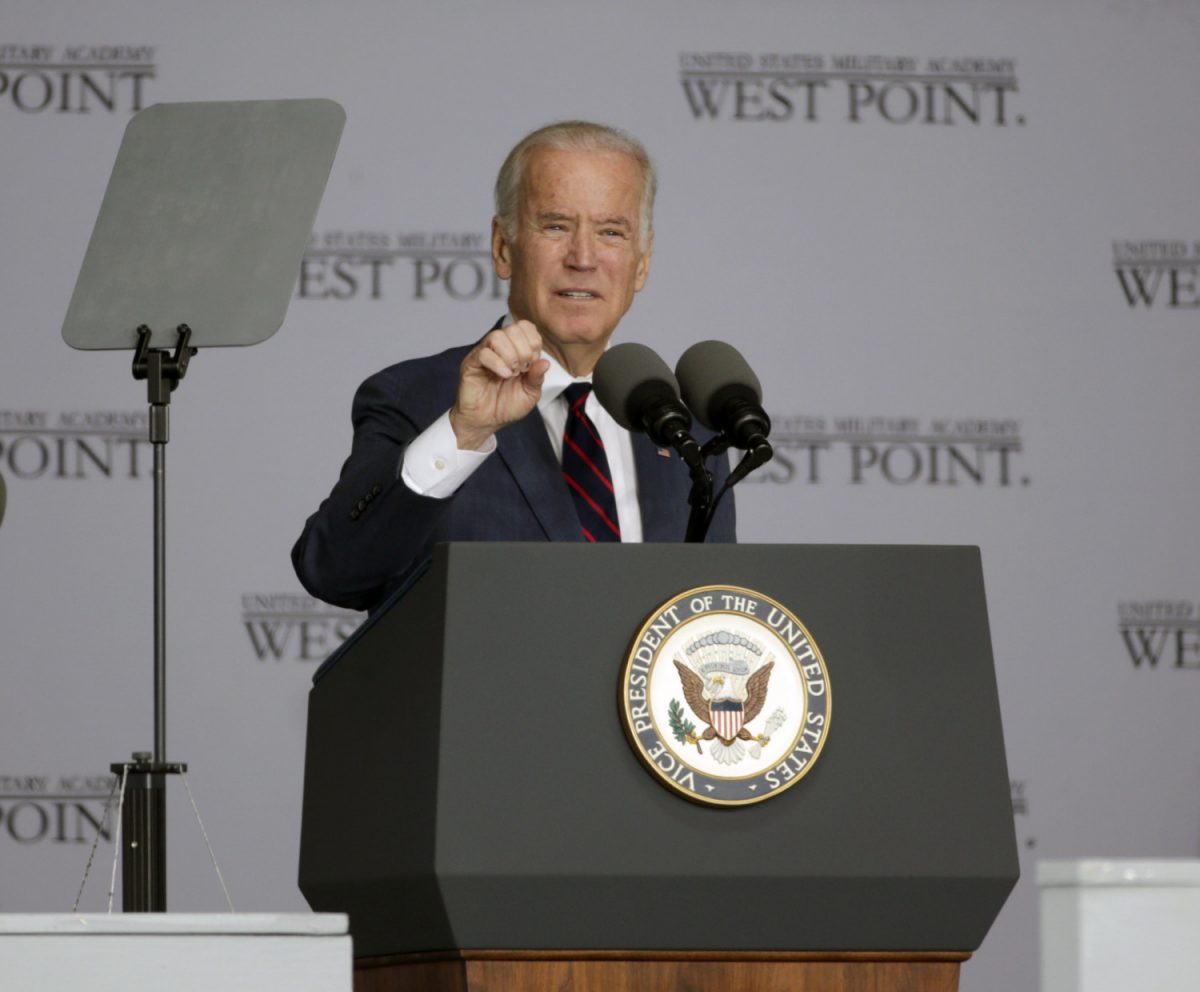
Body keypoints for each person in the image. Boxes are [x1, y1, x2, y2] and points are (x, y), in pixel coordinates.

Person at [292, 121, 736, 613]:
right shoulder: (417, 398)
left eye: (611, 232)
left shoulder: (683, 426)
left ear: (642, 262)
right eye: (556, 226)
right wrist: (464, 431)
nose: (583, 258)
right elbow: (334, 572)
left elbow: (711, 615)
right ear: (503, 247)